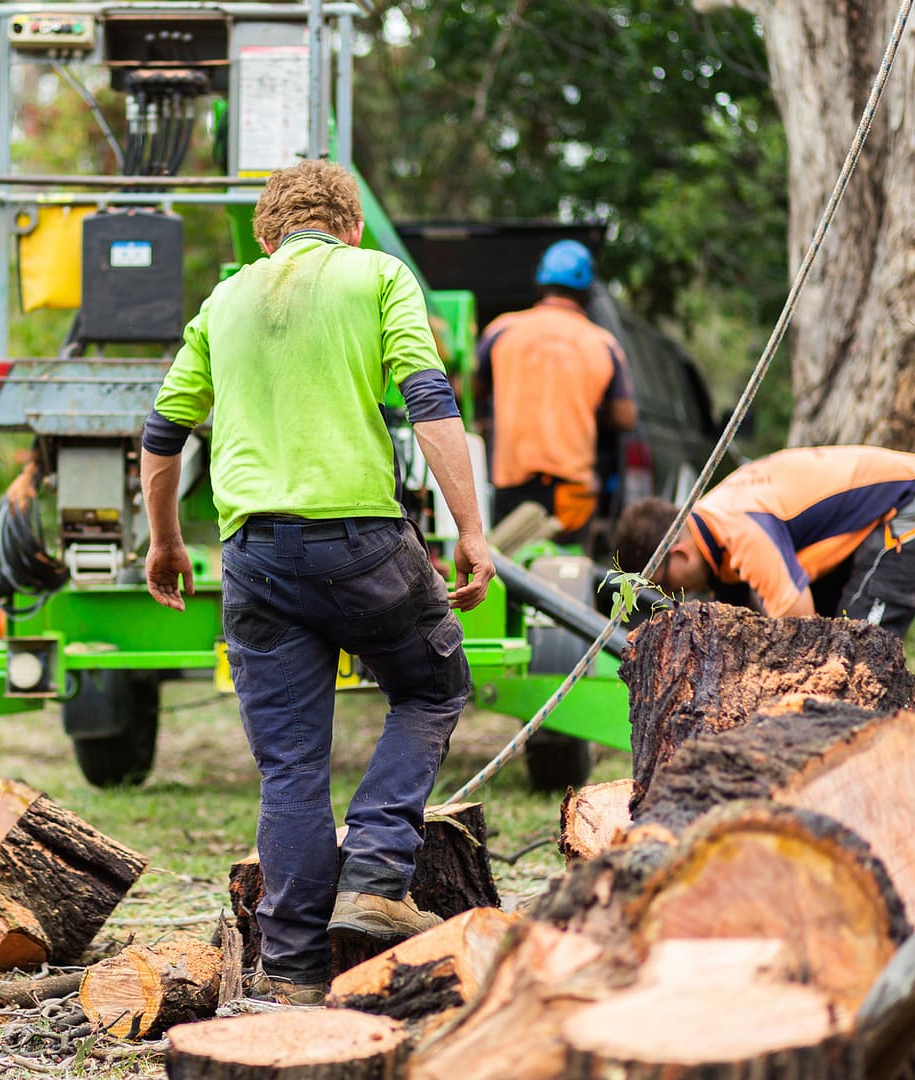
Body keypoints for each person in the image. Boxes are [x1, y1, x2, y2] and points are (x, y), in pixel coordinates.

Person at [139, 160, 494, 1007]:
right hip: (361, 545)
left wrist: (163, 544)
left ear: (265, 237)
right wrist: (470, 529)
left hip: (252, 558)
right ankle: (375, 869)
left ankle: (293, 973)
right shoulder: (377, 276)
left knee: (291, 766)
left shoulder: (225, 300)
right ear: (352, 227)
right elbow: (428, 398)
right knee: (432, 685)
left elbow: (161, 433)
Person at [613, 445, 915, 639]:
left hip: (912, 508)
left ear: (681, 553)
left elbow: (799, 624)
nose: (672, 594)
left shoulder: (738, 526)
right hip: (869, 527)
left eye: (665, 583)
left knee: (854, 656)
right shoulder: (714, 535)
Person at [474, 240, 638, 543]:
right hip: (571, 492)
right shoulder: (602, 343)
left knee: (508, 573)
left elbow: (471, 390)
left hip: (512, 483)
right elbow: (625, 417)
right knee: (564, 575)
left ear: (542, 283)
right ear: (588, 290)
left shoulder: (503, 330)